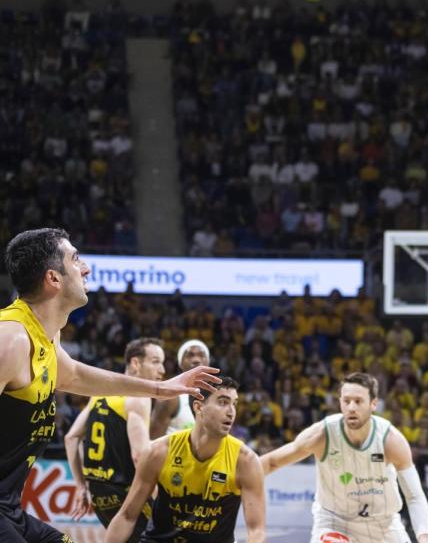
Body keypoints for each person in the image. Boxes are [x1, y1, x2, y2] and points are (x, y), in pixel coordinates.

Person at [0, 228, 219, 543]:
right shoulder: (10, 340)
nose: (86, 268)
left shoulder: (45, 335)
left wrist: (163, 388)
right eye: (76, 260)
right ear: (53, 279)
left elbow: (74, 375)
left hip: (10, 508)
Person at [260, 373, 428, 542]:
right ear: (340, 402)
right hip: (335, 522)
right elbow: (271, 462)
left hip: (384, 525)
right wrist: (235, 481)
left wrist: (424, 538)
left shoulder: (390, 440)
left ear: (373, 404)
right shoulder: (321, 434)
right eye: (346, 401)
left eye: (358, 401)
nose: (351, 407)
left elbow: (414, 496)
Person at [104, 377, 265, 543]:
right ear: (198, 406)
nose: (231, 411)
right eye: (223, 402)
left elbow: (256, 531)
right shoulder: (159, 452)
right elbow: (127, 516)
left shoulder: (246, 461)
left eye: (234, 404)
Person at [64, 338, 166, 539]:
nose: (162, 370)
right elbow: (139, 456)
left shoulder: (100, 394)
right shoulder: (138, 398)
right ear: (136, 363)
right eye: (155, 362)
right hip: (125, 493)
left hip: (99, 496)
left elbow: (71, 437)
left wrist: (80, 486)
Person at [150, 339, 212, 436]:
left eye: (201, 355)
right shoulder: (170, 398)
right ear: (180, 363)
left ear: (208, 362)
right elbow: (153, 441)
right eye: (190, 355)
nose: (196, 360)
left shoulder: (217, 397)